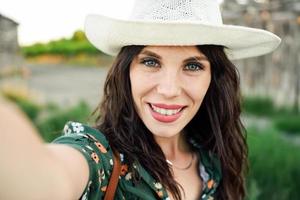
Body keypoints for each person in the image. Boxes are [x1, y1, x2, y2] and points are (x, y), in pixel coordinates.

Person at [0, 0, 281, 199]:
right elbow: (49, 180)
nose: (170, 89)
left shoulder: (213, 159)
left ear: (214, 77)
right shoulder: (101, 160)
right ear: (127, 72)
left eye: (193, 66)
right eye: (150, 62)